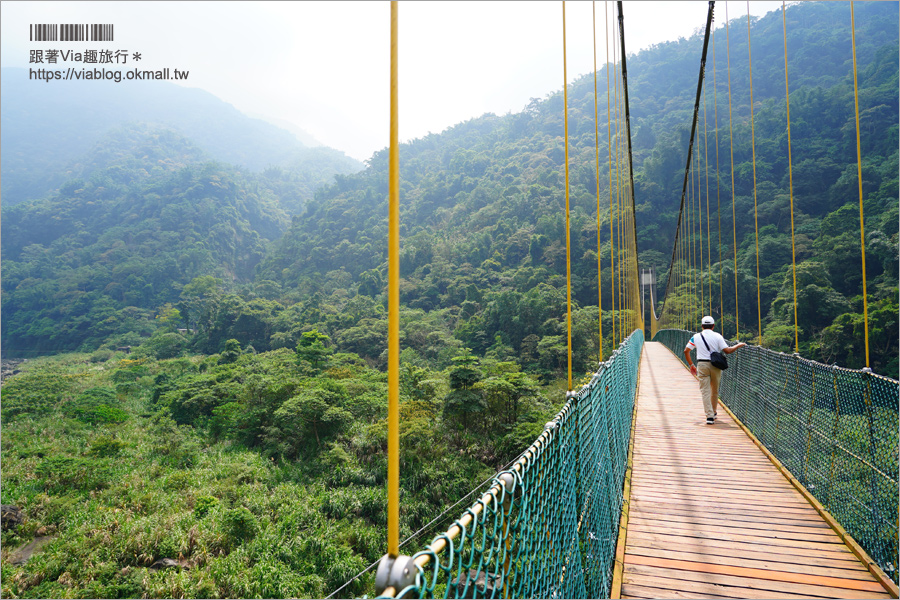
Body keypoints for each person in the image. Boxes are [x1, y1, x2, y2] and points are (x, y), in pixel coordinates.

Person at [683, 316, 746, 424]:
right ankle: (714, 411)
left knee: (705, 391)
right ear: (713, 326)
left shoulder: (696, 337)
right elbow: (727, 350)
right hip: (715, 365)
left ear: (702, 326)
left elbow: (686, 351)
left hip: (702, 364)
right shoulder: (718, 336)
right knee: (715, 390)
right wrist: (738, 345)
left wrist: (691, 365)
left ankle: (709, 416)